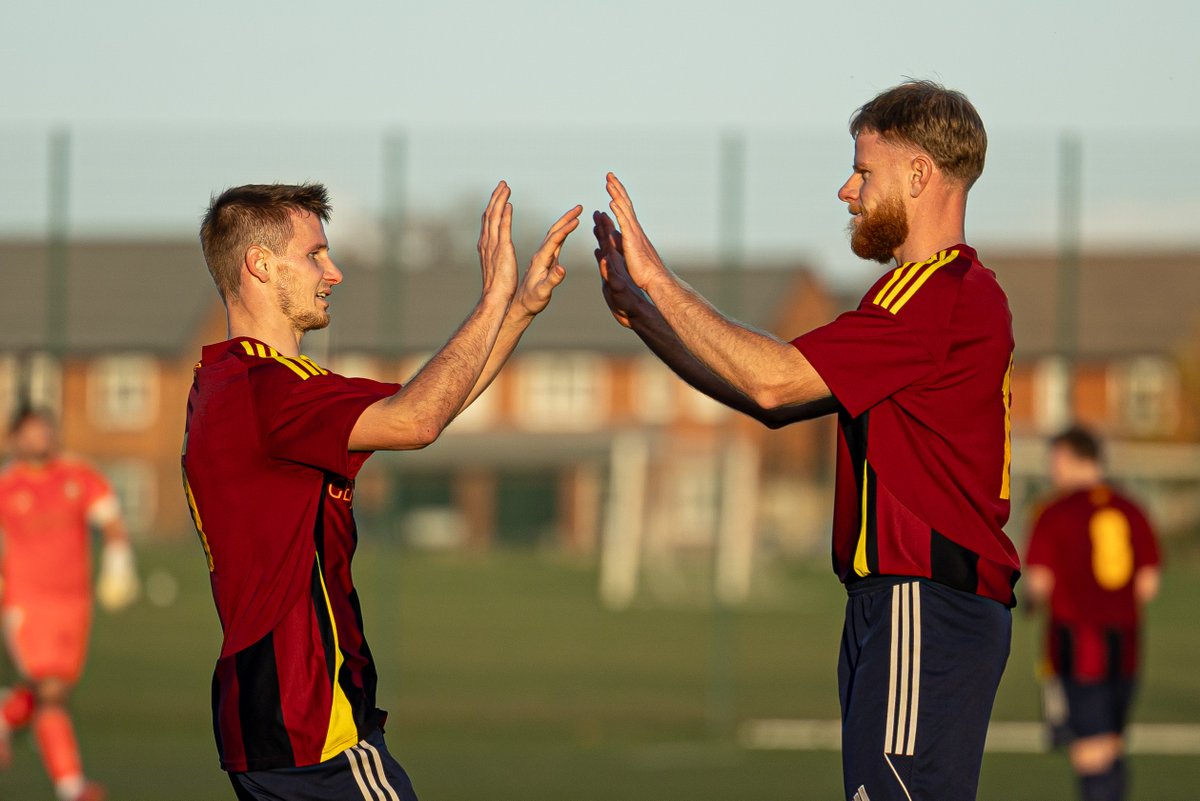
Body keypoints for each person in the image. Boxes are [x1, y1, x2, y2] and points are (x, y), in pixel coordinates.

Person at [593, 80, 1019, 800]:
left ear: (919, 176)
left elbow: (774, 379)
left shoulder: (934, 294)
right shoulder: (920, 298)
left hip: (923, 603)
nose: (847, 190)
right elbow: (772, 402)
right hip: (901, 605)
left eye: (864, 170)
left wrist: (659, 280)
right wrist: (646, 318)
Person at [182, 181, 580, 800]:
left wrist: (518, 311)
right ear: (259, 265)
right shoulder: (270, 392)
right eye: (314, 254)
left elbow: (428, 403)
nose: (333, 272)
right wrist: (494, 294)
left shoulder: (244, 383)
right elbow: (418, 422)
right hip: (312, 718)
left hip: (263, 714)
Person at [0, 406, 139, 801]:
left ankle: (5, 717)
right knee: (50, 692)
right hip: (27, 602)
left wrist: (118, 561)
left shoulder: (78, 476)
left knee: (49, 690)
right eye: (29, 433)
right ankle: (72, 786)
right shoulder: (7, 486)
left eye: (44, 431)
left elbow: (111, 521)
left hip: (74, 603)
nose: (38, 439)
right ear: (15, 439)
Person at [1024, 426, 1161, 801]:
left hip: (1079, 642)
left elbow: (1039, 583)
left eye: (1056, 460)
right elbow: (1148, 584)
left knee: (1088, 747)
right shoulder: (1131, 508)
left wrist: (1030, 604)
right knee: (1111, 742)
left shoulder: (1054, 512)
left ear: (1071, 459)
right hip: (1126, 642)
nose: (1052, 469)